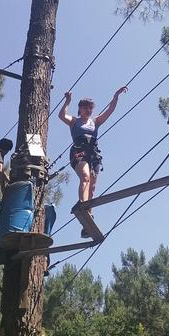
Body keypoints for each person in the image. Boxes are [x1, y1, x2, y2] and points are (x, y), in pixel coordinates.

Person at [58, 87, 127, 236]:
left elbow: (109, 111)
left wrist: (115, 96)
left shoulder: (95, 122)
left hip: (93, 154)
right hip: (79, 151)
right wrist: (67, 101)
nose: (88, 110)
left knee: (93, 186)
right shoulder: (75, 121)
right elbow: (62, 115)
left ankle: (88, 216)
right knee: (85, 177)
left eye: (90, 108)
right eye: (85, 108)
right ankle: (83, 206)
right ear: (80, 109)